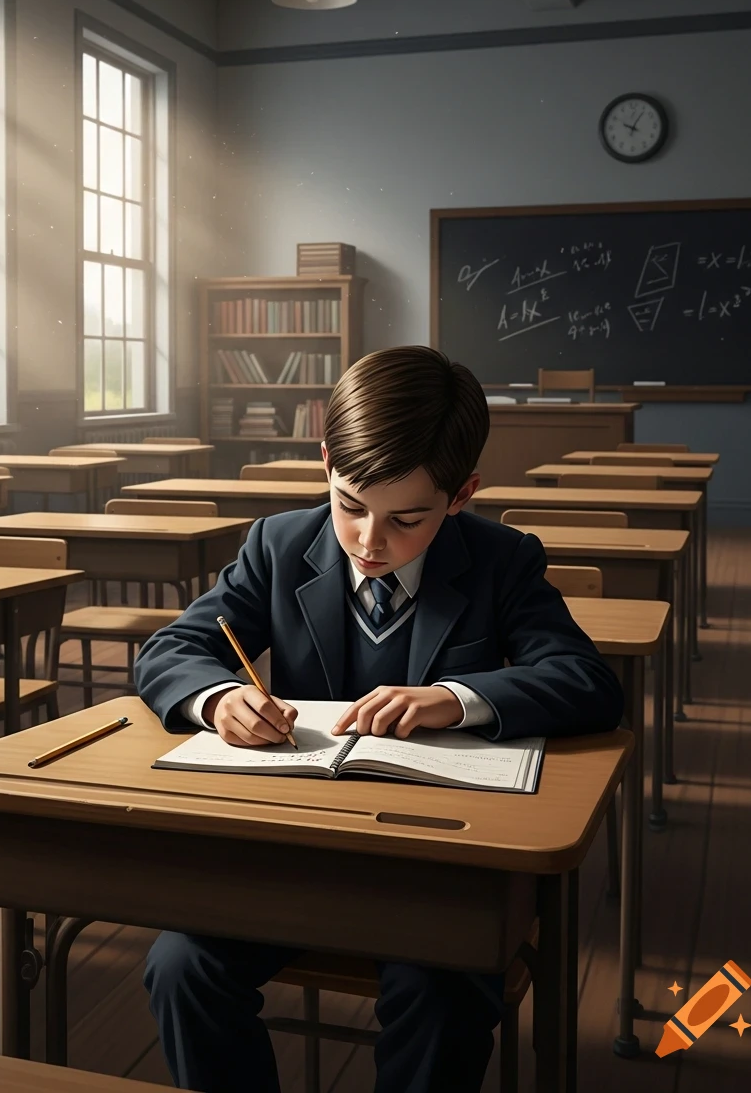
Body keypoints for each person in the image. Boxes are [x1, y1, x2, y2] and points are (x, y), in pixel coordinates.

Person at [135, 345, 624, 1093]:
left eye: (407, 519)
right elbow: (174, 648)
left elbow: (588, 682)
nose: (369, 543)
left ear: (462, 494)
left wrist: (459, 697)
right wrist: (216, 698)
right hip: (299, 845)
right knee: (180, 965)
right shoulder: (277, 545)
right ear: (325, 460)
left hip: (439, 863)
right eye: (350, 505)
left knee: (444, 990)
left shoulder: (502, 561)